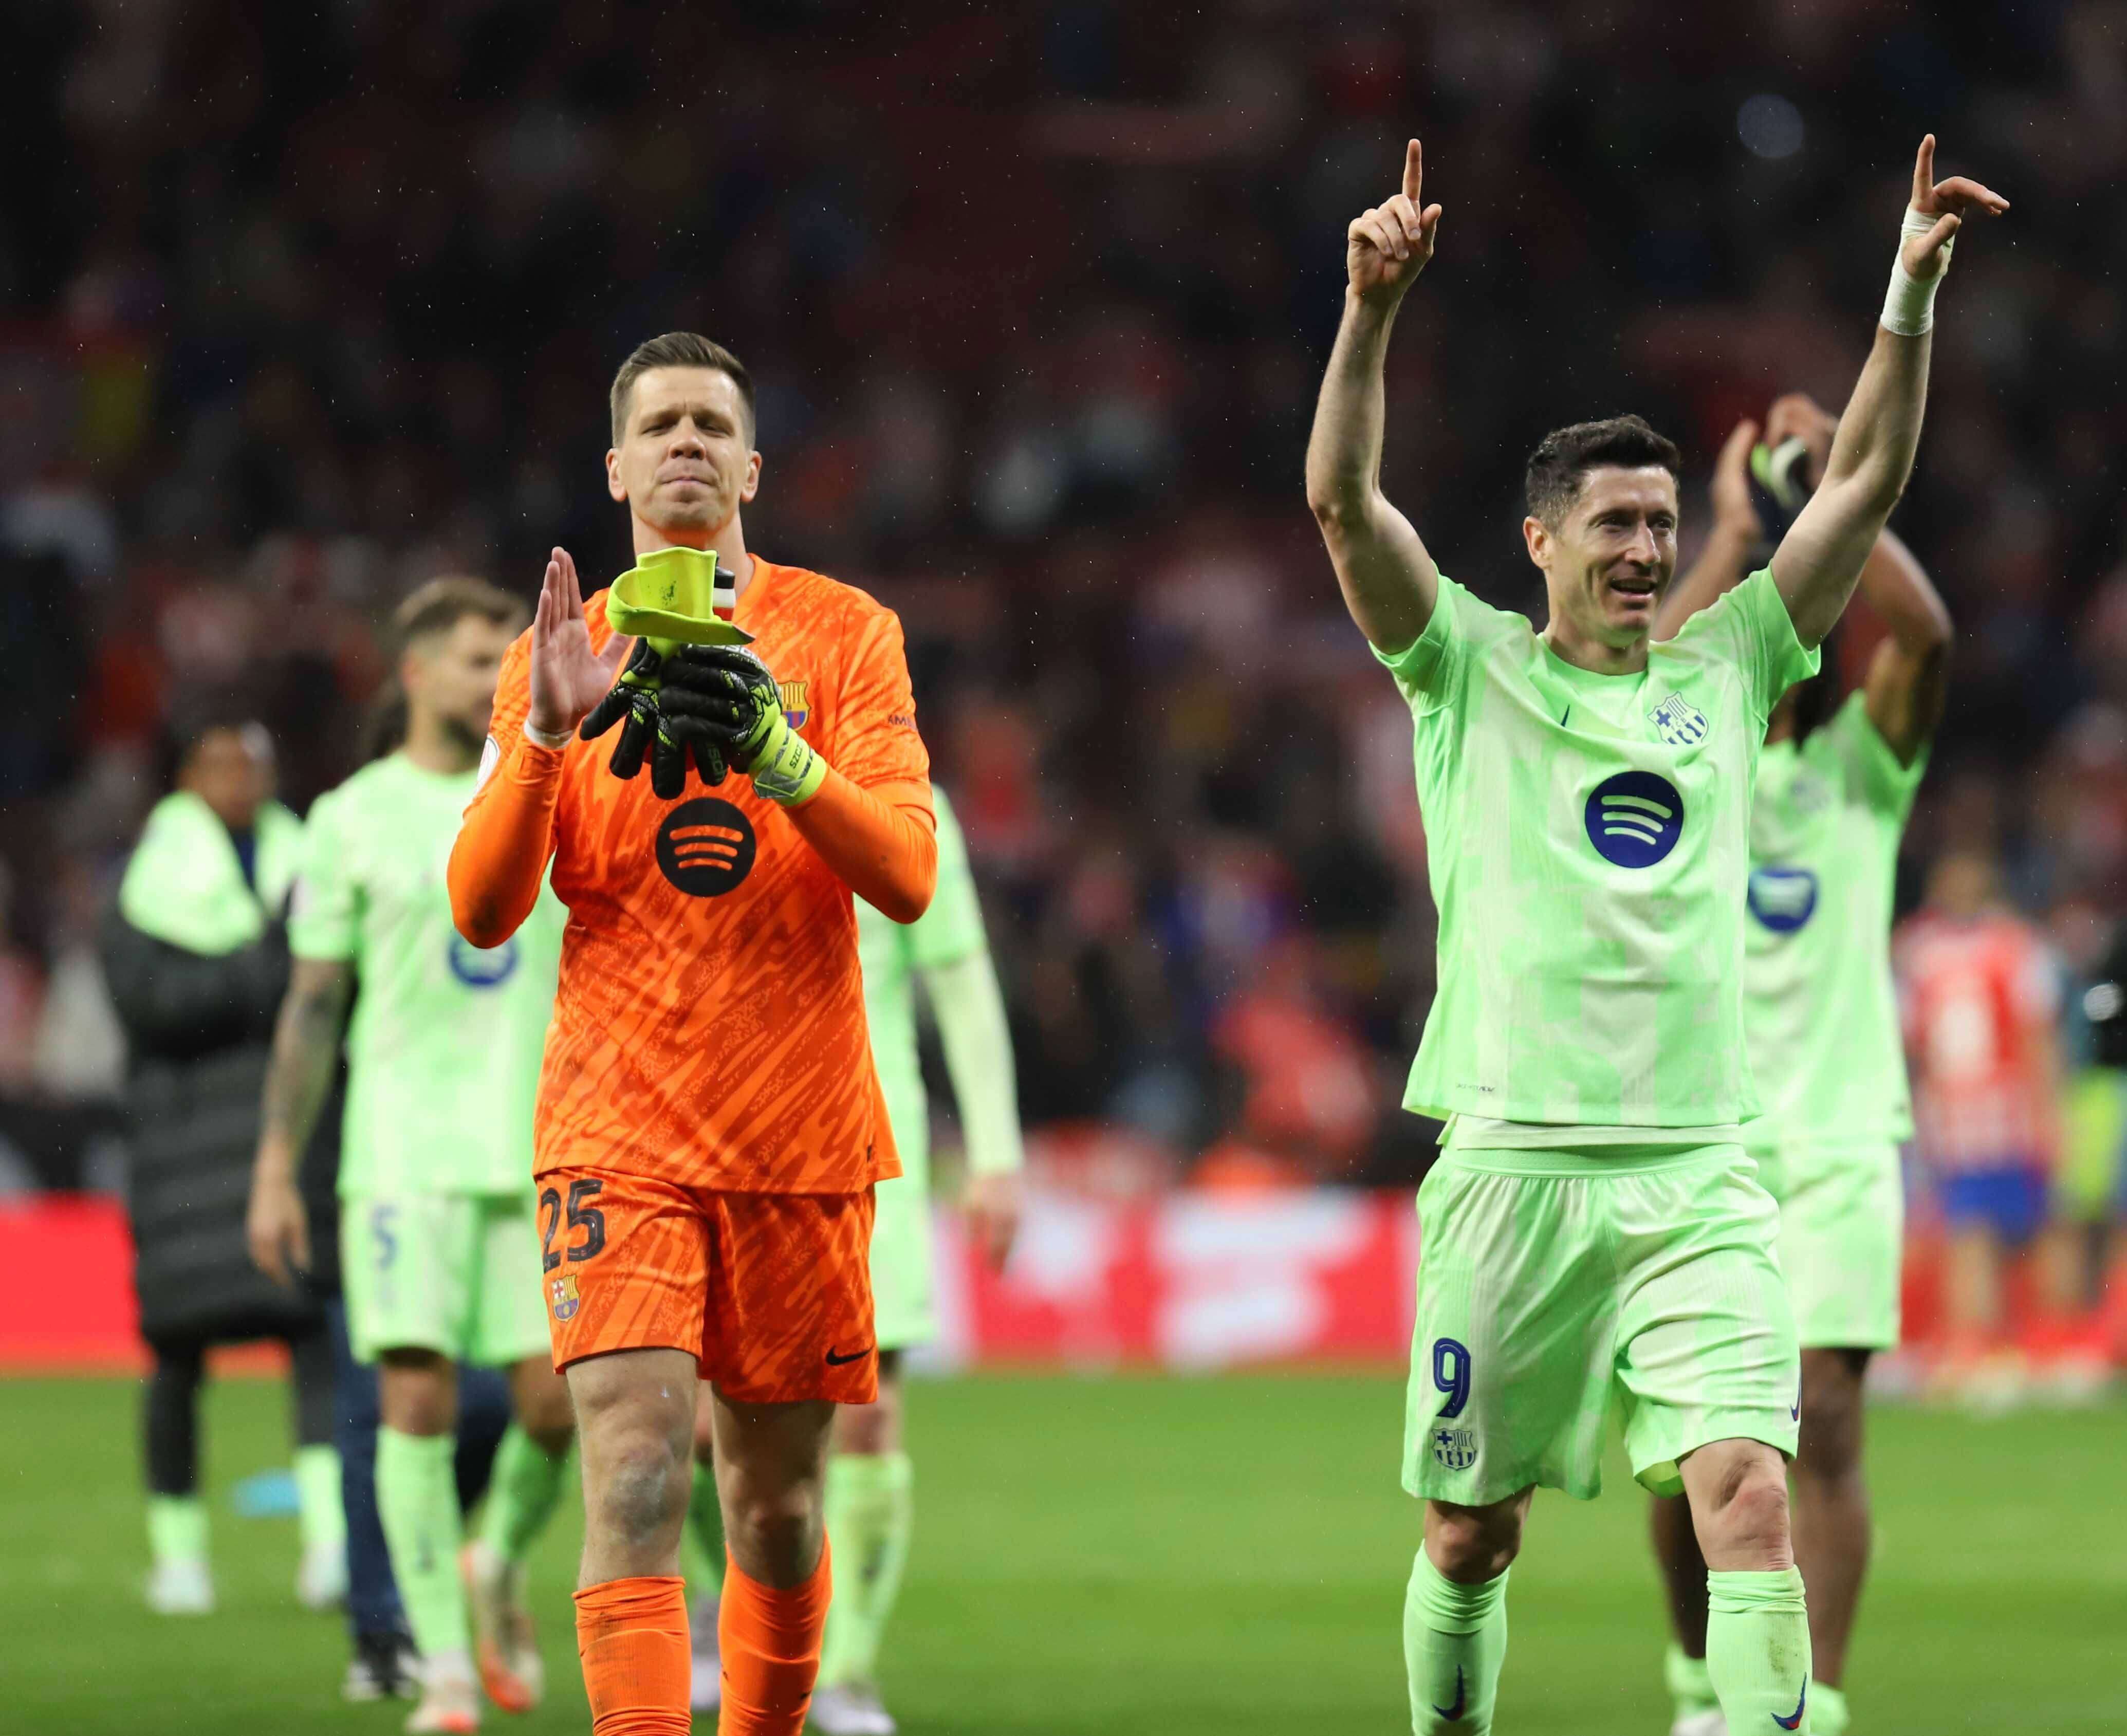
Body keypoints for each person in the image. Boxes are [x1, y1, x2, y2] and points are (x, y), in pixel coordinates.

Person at [1302, 135, 2003, 1734]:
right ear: (1539, 542)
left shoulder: (1726, 670)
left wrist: (1905, 284)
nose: (1636, 547)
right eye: (1609, 522)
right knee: (1469, 1533)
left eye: (1656, 521)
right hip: (1509, 1164)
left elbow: (1863, 486)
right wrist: (1367, 313)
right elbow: (1339, 500)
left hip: (1701, 1166)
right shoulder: (1461, 670)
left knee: (1746, 1489)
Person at [447, 331, 937, 1736]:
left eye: (710, 424)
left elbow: (906, 874)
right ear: (614, 466)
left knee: (773, 1505)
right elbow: (481, 913)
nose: (684, 442)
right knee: (638, 1471)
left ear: (751, 464)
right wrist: (544, 736)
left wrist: (782, 753)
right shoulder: (559, 650)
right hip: (618, 1124)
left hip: (797, 1131)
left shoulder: (846, 635)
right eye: (656, 423)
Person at [1644, 392, 1952, 1736]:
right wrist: (1728, 529)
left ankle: (1805, 1710)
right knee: (1685, 1458)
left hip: (1830, 1134)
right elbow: (1637, 679)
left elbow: (1929, 634)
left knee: (1820, 1418)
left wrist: (1839, 487)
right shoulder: (1680, 775)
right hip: (1694, 1138)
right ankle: (1694, 1685)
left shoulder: (1858, 773)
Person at [248, 577, 576, 1733]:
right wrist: (276, 1164)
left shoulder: (554, 786)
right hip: (398, 1155)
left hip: (541, 1145)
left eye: (511, 652)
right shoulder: (351, 817)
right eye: (478, 652)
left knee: (556, 1410)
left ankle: (494, 1564)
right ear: (416, 675)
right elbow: (311, 1006)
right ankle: (441, 1667)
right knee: (413, 1405)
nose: (500, 668)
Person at [685, 787, 1025, 1733]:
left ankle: (844, 1669)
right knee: (707, 1431)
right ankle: (741, 1617)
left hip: (875, 1143)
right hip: (719, 1143)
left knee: (869, 1418)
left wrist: (994, 1151)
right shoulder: (705, 773)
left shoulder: (907, 795)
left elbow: (957, 972)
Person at [100, 706, 344, 1618]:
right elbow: (149, 1002)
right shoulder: (142, 884)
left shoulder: (308, 863)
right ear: (185, 776)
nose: (240, 777)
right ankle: (180, 1553)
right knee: (175, 1352)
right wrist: (266, 969)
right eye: (219, 761)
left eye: (254, 758)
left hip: (287, 1134)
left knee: (312, 1333)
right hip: (181, 1148)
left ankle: (327, 1543)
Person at [1895, 849, 2071, 1396]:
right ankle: (2042, 1351)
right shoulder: (2016, 946)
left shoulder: (1917, 952)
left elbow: (1910, 1043)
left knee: (1973, 1236)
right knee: (2030, 1231)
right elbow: (2037, 1034)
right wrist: (2051, 1111)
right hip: (2005, 1110)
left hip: (1955, 1117)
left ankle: (1983, 1353)